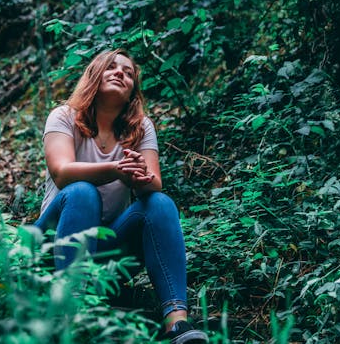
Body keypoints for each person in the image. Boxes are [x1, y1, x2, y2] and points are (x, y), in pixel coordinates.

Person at [34, 48, 209, 344]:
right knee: (81, 192)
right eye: (112, 68)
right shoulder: (63, 116)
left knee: (160, 203)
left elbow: (154, 185)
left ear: (132, 92)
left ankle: (176, 321)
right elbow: (61, 172)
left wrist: (139, 175)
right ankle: (73, 309)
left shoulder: (141, 128)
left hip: (105, 258)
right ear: (94, 75)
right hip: (52, 250)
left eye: (128, 73)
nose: (120, 74)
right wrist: (116, 169)